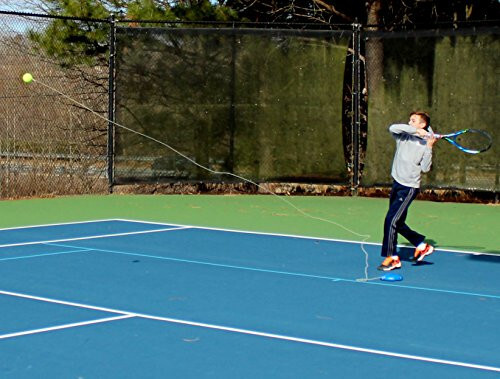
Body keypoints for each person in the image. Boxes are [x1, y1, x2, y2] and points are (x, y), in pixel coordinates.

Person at [377, 111, 437, 271]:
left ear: (423, 124)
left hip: (409, 188)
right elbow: (393, 127)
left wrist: (429, 147)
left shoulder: (426, 143)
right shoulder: (403, 135)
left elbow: (425, 168)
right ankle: (421, 245)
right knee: (398, 222)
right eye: (410, 119)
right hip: (397, 183)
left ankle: (392, 257)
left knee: (391, 220)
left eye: (413, 120)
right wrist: (417, 131)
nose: (409, 123)